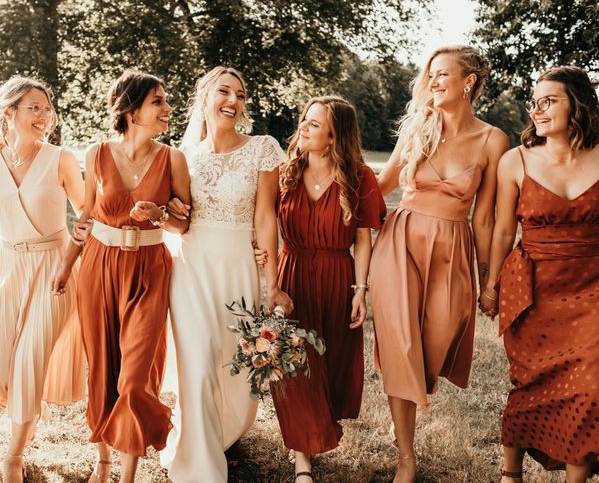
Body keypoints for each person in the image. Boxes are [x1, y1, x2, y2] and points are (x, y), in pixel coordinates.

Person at [369, 45, 509, 482]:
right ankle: (406, 458)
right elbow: (385, 182)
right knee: (401, 347)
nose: (432, 82)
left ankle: (408, 406)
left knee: (435, 344)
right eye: (429, 75)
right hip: (401, 241)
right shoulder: (418, 127)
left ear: (469, 81)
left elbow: (484, 218)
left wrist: (489, 281)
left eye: (442, 74)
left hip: (452, 245)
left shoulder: (493, 140)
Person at [51, 70, 191, 483]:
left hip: (150, 269)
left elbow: (184, 224)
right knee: (103, 367)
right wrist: (65, 264)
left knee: (136, 375)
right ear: (131, 109)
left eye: (166, 102)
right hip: (98, 267)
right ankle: (104, 460)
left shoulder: (173, 159)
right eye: (158, 102)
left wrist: (161, 216)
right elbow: (86, 215)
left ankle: (127, 474)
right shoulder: (95, 155)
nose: (167, 109)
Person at [159, 66, 293, 483]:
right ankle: (199, 467)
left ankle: (217, 434)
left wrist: (272, 281)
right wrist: (167, 214)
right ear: (204, 97)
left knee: (234, 369)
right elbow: (177, 216)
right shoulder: (183, 157)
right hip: (191, 267)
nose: (233, 101)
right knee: (196, 364)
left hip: (237, 265)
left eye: (240, 94)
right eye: (224, 91)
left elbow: (266, 218)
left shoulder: (262, 149)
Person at [255, 96, 386, 481]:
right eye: (305, 121)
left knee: (329, 364)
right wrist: (270, 280)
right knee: (294, 365)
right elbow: (263, 227)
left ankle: (317, 430)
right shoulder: (284, 173)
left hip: (336, 276)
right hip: (291, 276)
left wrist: (360, 289)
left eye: (315, 124)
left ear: (334, 136)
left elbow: (363, 240)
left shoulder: (359, 177)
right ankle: (302, 461)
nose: (304, 129)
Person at [480, 66, 599, 483]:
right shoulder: (516, 160)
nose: (537, 110)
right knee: (529, 384)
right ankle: (510, 474)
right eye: (535, 102)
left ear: (578, 104)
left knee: (590, 386)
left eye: (549, 101)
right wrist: (491, 284)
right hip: (532, 289)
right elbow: (501, 230)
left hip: (592, 290)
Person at [0, 76, 86, 482]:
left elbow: (86, 211)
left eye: (46, 108)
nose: (44, 116)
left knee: (29, 362)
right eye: (33, 108)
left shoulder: (61, 158)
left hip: (54, 270)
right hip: (8, 269)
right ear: (9, 112)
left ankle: (13, 455)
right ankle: (19, 416)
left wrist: (74, 251)